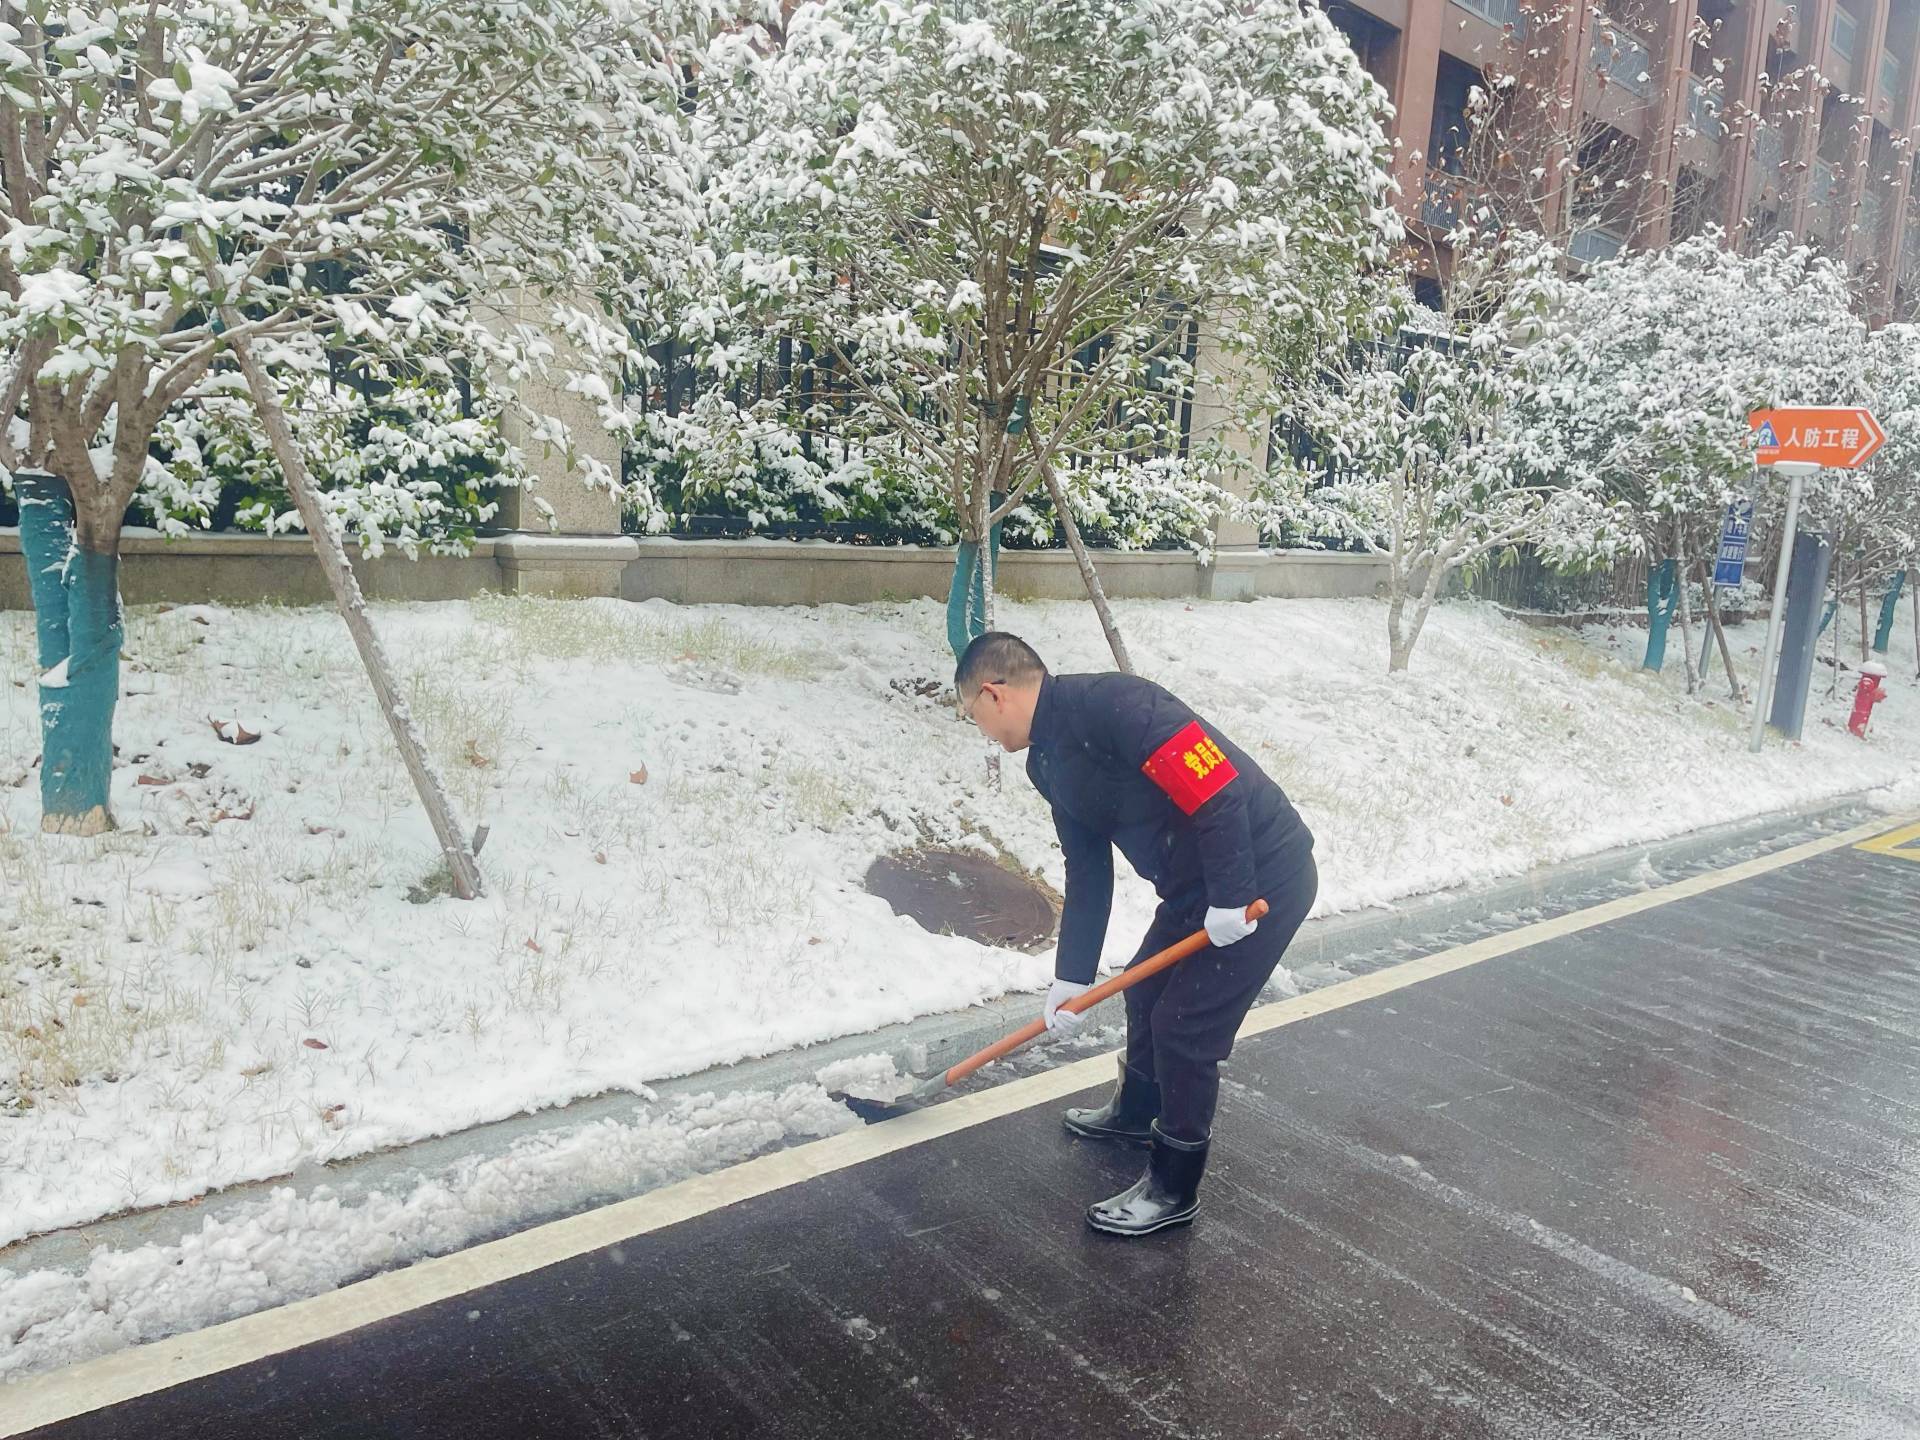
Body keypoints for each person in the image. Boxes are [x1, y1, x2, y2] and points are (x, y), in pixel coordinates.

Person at [956, 631, 1317, 1237]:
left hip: (1262, 878)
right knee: (1144, 994)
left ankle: (1173, 1184)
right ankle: (1136, 1112)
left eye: (975, 717)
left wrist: (1230, 897)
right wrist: (1069, 977)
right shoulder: (1046, 763)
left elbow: (1218, 787)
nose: (983, 732)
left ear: (994, 694)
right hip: (1195, 885)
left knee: (1184, 1026)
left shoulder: (1122, 704)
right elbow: (1088, 869)